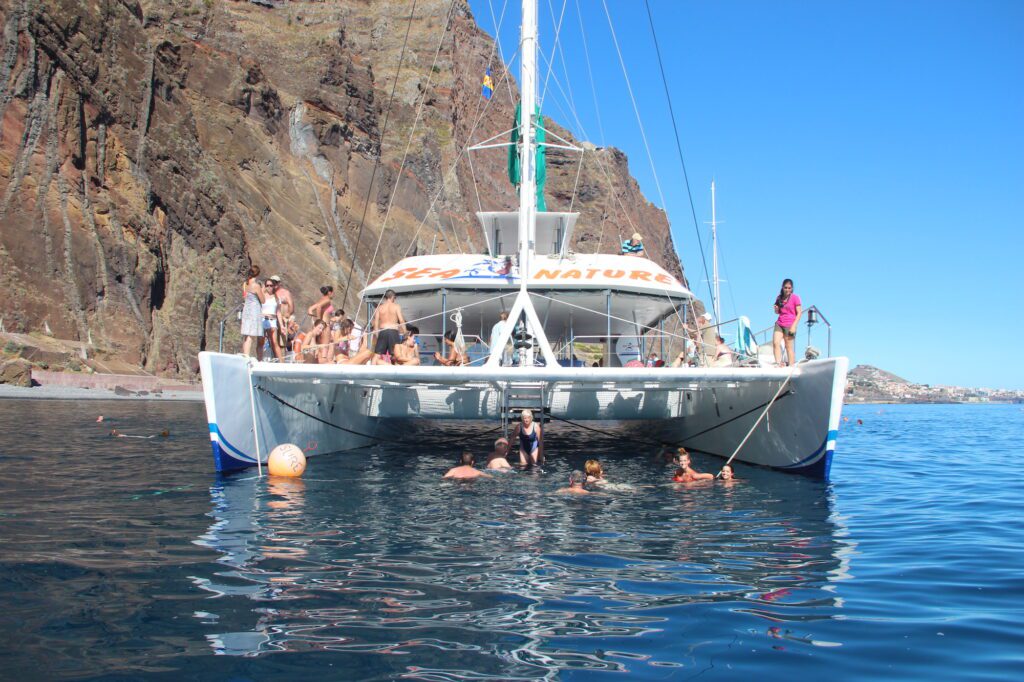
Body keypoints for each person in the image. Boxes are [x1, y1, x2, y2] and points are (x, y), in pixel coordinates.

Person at [370, 289, 407, 363]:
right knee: (395, 355)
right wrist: (405, 332)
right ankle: (395, 373)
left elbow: (376, 322)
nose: (395, 299)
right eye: (395, 297)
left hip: (383, 331)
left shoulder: (380, 307)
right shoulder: (396, 306)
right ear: (392, 297)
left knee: (377, 354)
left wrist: (377, 334)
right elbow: (401, 320)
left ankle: (371, 371)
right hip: (393, 331)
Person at [772, 278, 803, 367]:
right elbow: (777, 312)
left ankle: (791, 366)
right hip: (779, 323)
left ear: (792, 288)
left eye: (789, 288)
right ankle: (778, 363)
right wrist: (776, 309)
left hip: (790, 324)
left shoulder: (795, 298)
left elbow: (799, 313)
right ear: (782, 287)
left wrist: (794, 326)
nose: (787, 290)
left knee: (788, 347)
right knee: (776, 343)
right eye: (785, 288)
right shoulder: (779, 297)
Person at [240, 266, 266, 359]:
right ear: (257, 274)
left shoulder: (244, 284)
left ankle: (245, 354)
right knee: (251, 334)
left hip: (247, 309)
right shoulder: (256, 285)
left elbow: (244, 297)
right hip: (254, 310)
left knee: (246, 334)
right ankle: (246, 356)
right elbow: (263, 300)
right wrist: (262, 290)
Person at [261, 278, 284, 361]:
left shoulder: (277, 298)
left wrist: (281, 325)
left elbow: (278, 312)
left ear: (274, 286)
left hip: (272, 320)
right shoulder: (262, 296)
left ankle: (282, 362)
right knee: (261, 342)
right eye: (267, 285)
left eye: (271, 285)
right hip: (263, 320)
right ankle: (260, 360)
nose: (269, 287)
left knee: (275, 342)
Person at [270, 275, 293, 347]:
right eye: (272, 282)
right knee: (272, 341)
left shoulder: (285, 293)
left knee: (283, 341)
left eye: (276, 282)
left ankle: (283, 356)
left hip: (283, 319)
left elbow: (291, 305)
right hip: (273, 318)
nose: (274, 284)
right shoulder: (269, 293)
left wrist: (288, 315)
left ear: (279, 283)